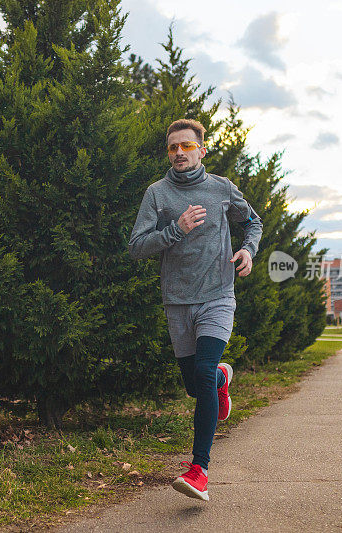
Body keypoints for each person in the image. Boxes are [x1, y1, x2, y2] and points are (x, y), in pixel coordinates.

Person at [128, 118, 263, 501]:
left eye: (186, 146)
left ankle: (199, 469)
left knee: (200, 372)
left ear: (202, 150)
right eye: (173, 148)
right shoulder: (157, 194)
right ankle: (220, 380)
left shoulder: (222, 189)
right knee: (195, 385)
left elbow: (253, 222)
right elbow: (136, 246)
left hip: (218, 295)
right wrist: (176, 230)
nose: (179, 153)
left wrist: (247, 250)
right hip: (177, 301)